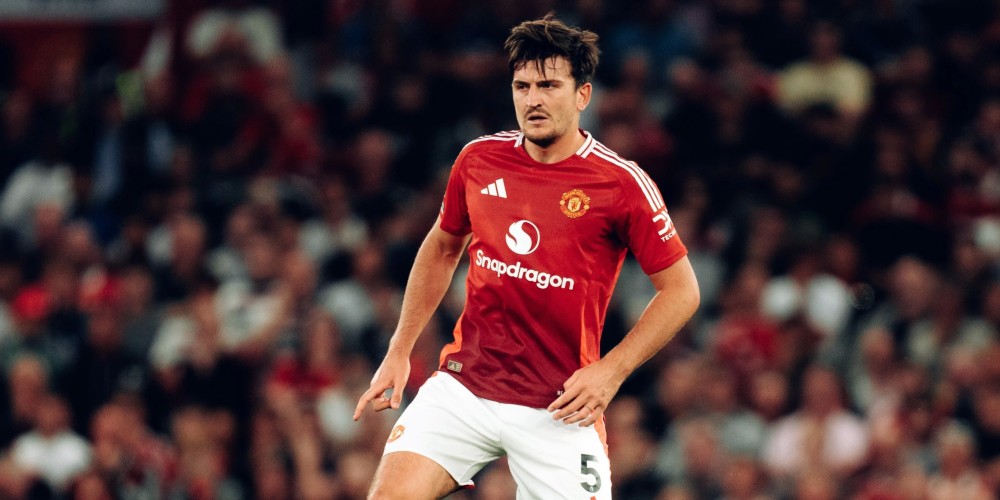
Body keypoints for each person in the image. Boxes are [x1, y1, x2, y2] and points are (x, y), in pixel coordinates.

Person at [353, 14, 700, 499]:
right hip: (464, 389)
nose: (533, 99)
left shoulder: (621, 184)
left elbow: (682, 291)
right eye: (522, 86)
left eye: (549, 85)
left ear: (582, 95)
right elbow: (443, 246)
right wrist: (399, 349)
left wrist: (611, 371)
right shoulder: (478, 160)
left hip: (559, 406)